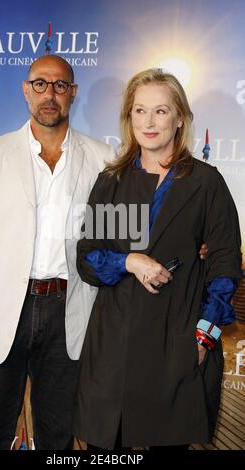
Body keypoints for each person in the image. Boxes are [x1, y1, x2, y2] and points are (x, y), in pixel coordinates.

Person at [0, 55, 115, 450]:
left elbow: (118, 239)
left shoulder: (104, 161)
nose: (50, 94)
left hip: (70, 314)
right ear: (26, 90)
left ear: (72, 93)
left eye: (60, 85)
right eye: (40, 84)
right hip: (3, 312)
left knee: (57, 438)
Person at [73, 68, 242, 450]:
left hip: (177, 342)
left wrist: (203, 337)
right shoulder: (114, 181)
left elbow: (225, 269)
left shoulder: (205, 183)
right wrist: (129, 262)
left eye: (161, 111)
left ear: (180, 118)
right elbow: (89, 257)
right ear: (128, 117)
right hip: (113, 348)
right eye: (139, 111)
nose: (149, 123)